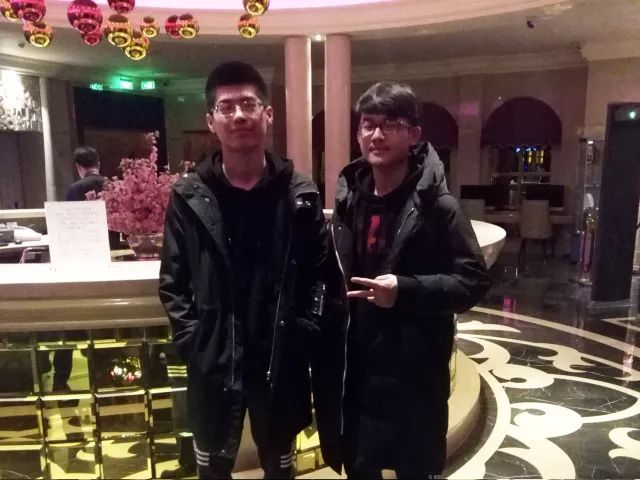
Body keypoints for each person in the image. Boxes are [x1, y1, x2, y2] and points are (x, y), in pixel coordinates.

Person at [158, 61, 344, 480]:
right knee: (212, 469)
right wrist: (195, 342)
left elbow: (321, 274)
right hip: (215, 356)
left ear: (267, 114)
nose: (239, 115)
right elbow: (173, 281)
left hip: (280, 354)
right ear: (211, 121)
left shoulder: (299, 193)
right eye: (227, 107)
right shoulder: (189, 195)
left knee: (280, 468)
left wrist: (305, 330)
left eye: (248, 104)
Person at [331, 81, 491, 479]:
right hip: (359, 374)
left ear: (414, 134)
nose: (377, 135)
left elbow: (473, 281)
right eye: (368, 124)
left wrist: (405, 290)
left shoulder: (437, 205)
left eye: (391, 124)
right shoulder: (349, 202)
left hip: (414, 377)